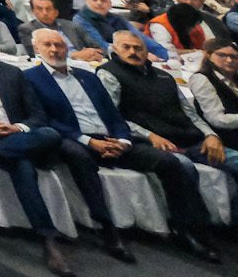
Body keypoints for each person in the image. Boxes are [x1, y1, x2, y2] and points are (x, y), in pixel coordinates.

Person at [24, 27, 215, 263]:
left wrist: (123, 139)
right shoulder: (30, 78)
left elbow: (114, 114)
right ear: (36, 49)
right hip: (75, 139)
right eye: (47, 45)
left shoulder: (87, 76)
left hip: (111, 138)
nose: (54, 49)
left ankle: (186, 229)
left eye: (59, 44)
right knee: (80, 157)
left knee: (169, 161)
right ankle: (108, 230)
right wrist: (89, 141)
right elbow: (44, 119)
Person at [0, 21, 75, 277]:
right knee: (24, 165)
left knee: (50, 134)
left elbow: (37, 116)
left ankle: (0, 152)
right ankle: (48, 240)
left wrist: (16, 128)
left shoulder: (12, 72)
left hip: (11, 137)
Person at [99, 29, 238, 189]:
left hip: (189, 138)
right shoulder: (108, 74)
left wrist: (210, 135)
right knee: (183, 166)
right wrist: (150, 135)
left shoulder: (164, 76)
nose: (133, 52)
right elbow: (112, 117)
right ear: (115, 49)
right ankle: (189, 214)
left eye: (138, 48)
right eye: (126, 47)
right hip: (148, 142)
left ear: (146, 51)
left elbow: (190, 113)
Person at [20, 0, 105, 62]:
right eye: (39, 9)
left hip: (87, 61)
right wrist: (74, 55)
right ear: (33, 12)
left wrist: (93, 53)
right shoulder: (27, 29)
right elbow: (36, 55)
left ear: (56, 12)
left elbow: (97, 47)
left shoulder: (71, 25)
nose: (45, 13)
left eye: (48, 9)